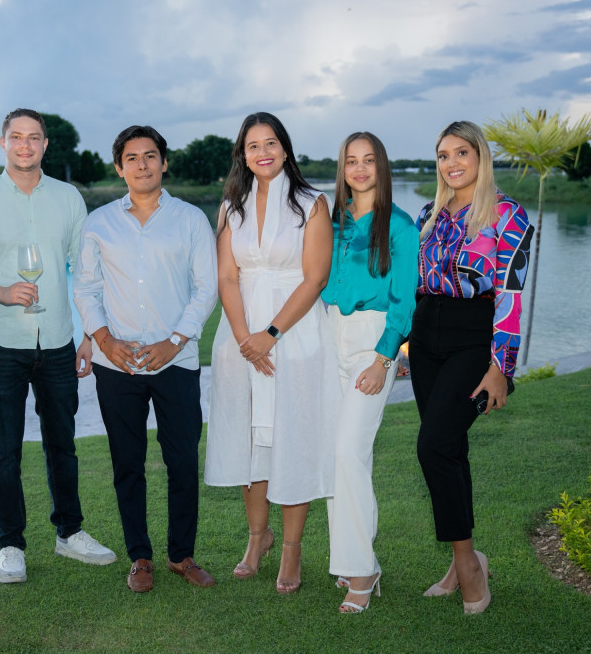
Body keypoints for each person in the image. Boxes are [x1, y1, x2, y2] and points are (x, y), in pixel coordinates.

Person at [0, 109, 115, 584]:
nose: (25, 145)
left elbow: (87, 273)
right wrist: (2, 292)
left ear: (45, 145)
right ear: (3, 143)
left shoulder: (67, 198)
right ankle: (10, 544)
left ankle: (69, 533)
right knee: (5, 449)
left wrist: (89, 334)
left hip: (60, 340)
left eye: (34, 138)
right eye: (16, 137)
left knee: (63, 443)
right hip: (1, 341)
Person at [74, 125, 218, 593]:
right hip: (117, 364)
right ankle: (140, 556)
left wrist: (174, 341)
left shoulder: (191, 219)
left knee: (181, 460)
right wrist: (103, 340)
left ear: (164, 162)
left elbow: (206, 289)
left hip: (175, 360)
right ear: (120, 168)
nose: (142, 165)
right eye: (132, 158)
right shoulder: (99, 223)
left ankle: (181, 555)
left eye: (150, 156)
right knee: (127, 462)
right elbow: (87, 288)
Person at [205, 112, 340, 594]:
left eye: (270, 143)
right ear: (242, 154)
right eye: (252, 146)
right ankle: (257, 539)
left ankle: (291, 550)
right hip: (239, 340)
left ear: (285, 148)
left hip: (295, 336)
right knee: (250, 442)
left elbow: (315, 278)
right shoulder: (230, 207)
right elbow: (226, 277)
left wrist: (270, 334)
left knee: (292, 440)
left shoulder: (311, 203)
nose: (262, 152)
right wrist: (245, 338)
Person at [410, 120, 533, 614]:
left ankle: (467, 564)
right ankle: (464, 556)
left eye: (462, 152)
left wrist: (501, 367)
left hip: (473, 340)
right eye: (443, 155)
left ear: (480, 157)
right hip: (425, 338)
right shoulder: (429, 213)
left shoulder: (508, 215)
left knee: (433, 445)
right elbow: (419, 286)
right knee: (449, 448)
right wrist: (400, 348)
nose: (452, 163)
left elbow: (511, 296)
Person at [321, 132, 419, 613]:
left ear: (381, 166)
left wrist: (386, 360)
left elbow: (406, 301)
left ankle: (364, 567)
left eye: (368, 160)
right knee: (335, 455)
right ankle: (346, 559)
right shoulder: (333, 220)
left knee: (349, 450)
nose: (359, 169)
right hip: (328, 337)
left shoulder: (399, 226)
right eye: (350, 161)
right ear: (342, 168)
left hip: (371, 343)